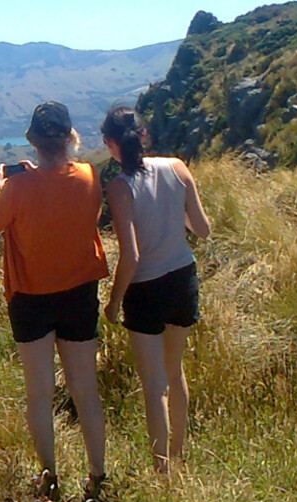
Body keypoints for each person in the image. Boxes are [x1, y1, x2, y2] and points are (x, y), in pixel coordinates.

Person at [0, 101, 109, 502]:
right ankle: (98, 478)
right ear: (70, 138)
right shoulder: (88, 175)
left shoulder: (16, 187)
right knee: (86, 391)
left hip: (31, 298)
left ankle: (49, 482)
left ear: (32, 141)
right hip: (80, 292)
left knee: (39, 394)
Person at [100, 106, 211, 474]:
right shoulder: (178, 168)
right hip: (183, 276)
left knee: (154, 387)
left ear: (110, 144)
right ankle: (179, 459)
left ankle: (161, 473)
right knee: (175, 372)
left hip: (146, 288)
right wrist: (170, 214)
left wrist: (114, 303)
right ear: (144, 136)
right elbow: (203, 229)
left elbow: (130, 255)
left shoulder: (119, 187)